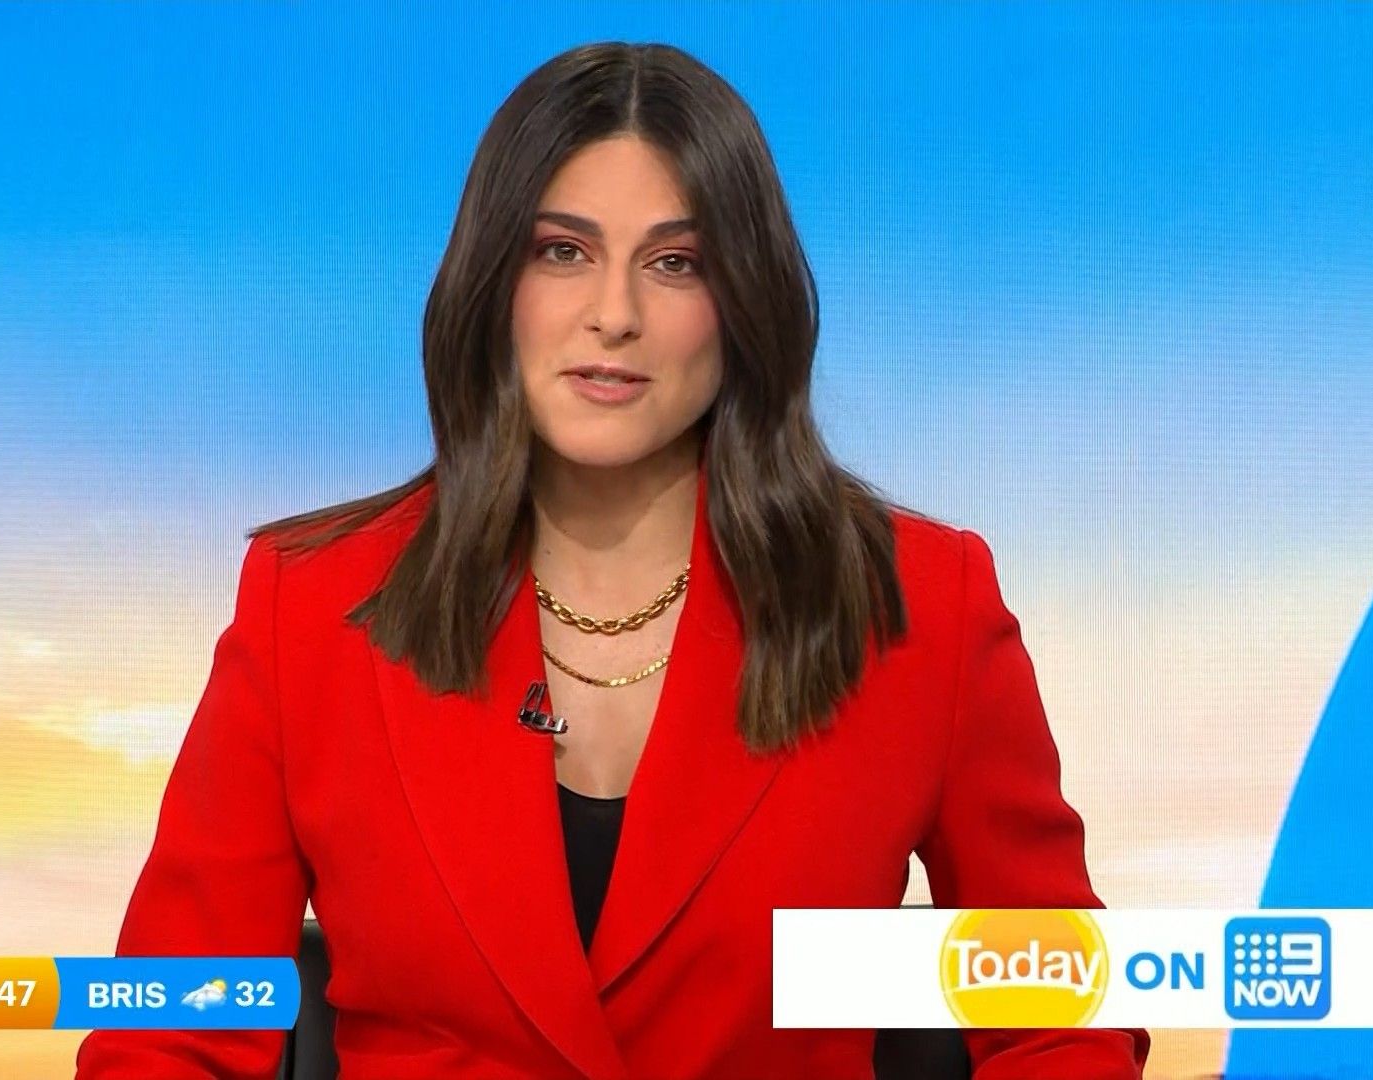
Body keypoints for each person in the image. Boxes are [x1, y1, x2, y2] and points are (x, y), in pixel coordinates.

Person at [77, 40, 1149, 1080]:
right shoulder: (310, 606)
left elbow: (1060, 1027)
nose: (614, 315)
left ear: (745, 303)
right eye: (564, 252)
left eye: (676, 264)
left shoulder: (919, 607)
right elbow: (168, 1034)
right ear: (493, 282)